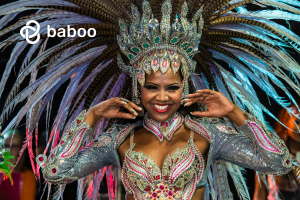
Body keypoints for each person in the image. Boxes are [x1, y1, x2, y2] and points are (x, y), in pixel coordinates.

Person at [0, 0, 299, 199]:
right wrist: (91, 116)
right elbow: (55, 172)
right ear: (138, 88)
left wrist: (234, 112)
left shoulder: (211, 135)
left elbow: (278, 161)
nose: (162, 97)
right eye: (152, 87)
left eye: (172, 87)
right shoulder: (119, 139)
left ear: (185, 87)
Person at [254, 106, 300, 200]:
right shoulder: (270, 151)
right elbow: (259, 191)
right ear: (286, 122)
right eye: (298, 122)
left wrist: (295, 165)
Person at [0, 129, 36, 200]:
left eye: (13, 146)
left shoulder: (27, 176)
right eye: (6, 145)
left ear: (20, 149)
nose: (8, 150)